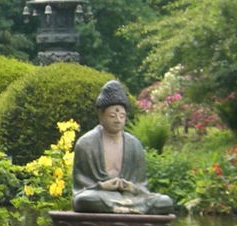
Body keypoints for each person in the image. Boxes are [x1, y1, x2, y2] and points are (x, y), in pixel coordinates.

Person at [71, 81, 175, 214]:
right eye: (112, 116)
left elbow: (141, 184)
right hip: (101, 195)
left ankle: (121, 209)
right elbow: (80, 186)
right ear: (101, 116)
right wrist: (102, 186)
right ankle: (131, 210)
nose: (118, 120)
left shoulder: (134, 144)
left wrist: (132, 187)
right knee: (84, 200)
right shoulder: (86, 144)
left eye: (122, 116)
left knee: (165, 202)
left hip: (130, 197)